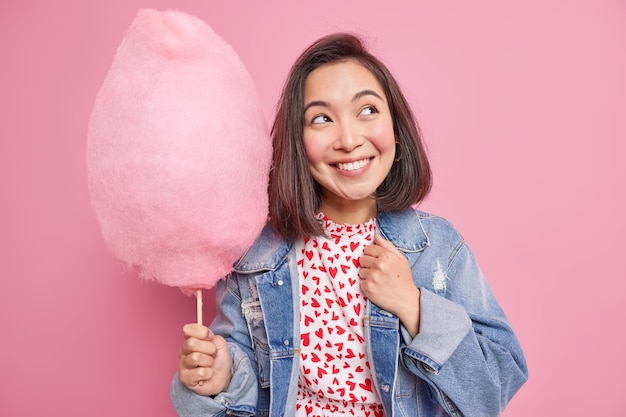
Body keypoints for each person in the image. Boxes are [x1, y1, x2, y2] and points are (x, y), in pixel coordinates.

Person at [170, 32, 528, 417]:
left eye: (368, 110)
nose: (348, 139)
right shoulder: (258, 255)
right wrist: (222, 378)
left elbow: (493, 387)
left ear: (397, 131)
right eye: (322, 118)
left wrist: (414, 305)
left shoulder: (436, 246)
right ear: (297, 143)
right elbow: (248, 392)